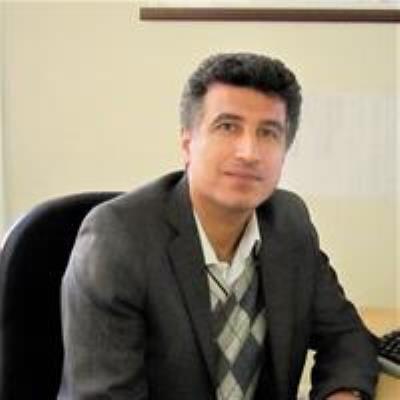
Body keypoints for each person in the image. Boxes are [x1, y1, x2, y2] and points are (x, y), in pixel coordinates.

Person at [58, 53, 378, 400]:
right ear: (187, 143)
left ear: (284, 152)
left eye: (268, 132)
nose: (249, 152)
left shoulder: (288, 223)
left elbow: (347, 337)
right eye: (228, 127)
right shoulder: (117, 239)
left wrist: (343, 394)